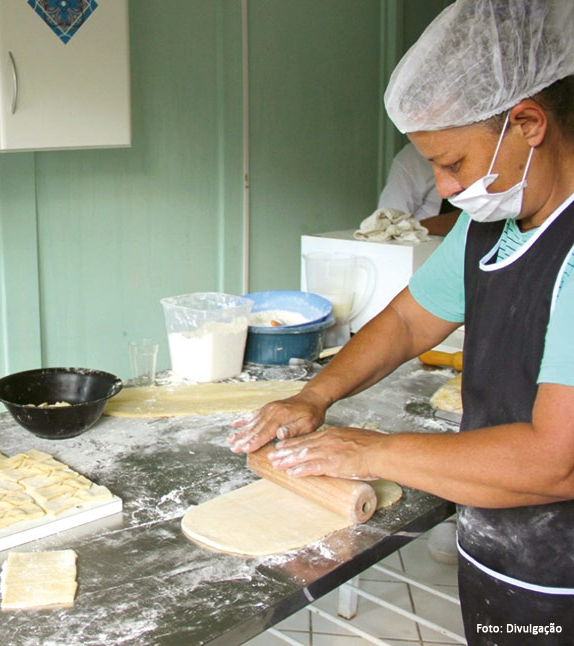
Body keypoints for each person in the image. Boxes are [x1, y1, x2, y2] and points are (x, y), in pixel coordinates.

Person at [229, 0, 574, 643]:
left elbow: (557, 461)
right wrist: (314, 397)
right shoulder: (489, 222)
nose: (442, 189)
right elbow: (412, 321)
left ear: (527, 123)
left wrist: (374, 450)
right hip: (498, 544)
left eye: (454, 163)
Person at [378, 142, 460, 236]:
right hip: (426, 248)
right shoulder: (413, 158)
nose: (444, 190)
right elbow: (387, 228)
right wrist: (416, 228)